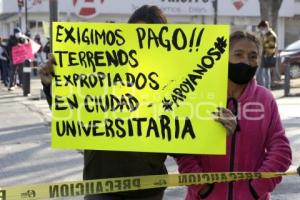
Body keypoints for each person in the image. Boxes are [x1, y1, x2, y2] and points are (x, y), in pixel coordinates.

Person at [40, 5, 213, 200]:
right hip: (101, 185)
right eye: (137, 35)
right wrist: (50, 88)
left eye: (150, 37)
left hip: (148, 190)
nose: (142, 43)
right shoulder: (100, 68)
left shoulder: (172, 81)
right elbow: (74, 115)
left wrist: (213, 125)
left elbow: (180, 139)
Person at [176, 31, 292, 200]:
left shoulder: (265, 99)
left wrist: (255, 188)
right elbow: (184, 150)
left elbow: (281, 150)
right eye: (238, 54)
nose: (246, 62)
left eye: (253, 56)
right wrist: (203, 188)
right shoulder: (200, 95)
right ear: (224, 57)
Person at [256, 20, 277, 89]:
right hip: (265, 55)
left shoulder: (270, 35)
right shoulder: (266, 34)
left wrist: (265, 55)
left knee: (262, 73)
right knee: (265, 73)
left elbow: (271, 47)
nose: (261, 30)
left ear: (265, 27)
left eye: (261, 28)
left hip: (267, 56)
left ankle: (264, 89)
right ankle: (266, 88)